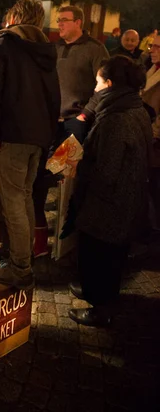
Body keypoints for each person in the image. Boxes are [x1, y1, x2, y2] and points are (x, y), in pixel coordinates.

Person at [0, 0, 60, 289]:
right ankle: (18, 255)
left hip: (10, 136)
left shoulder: (2, 42)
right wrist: (46, 138)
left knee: (14, 201)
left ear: (13, 16)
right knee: (23, 197)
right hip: (37, 137)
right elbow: (54, 97)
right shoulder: (46, 49)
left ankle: (20, 268)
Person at [68, 56, 152, 326]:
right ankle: (97, 292)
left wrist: (78, 169)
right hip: (126, 200)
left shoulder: (115, 120)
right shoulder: (134, 107)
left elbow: (106, 172)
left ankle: (100, 307)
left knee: (100, 257)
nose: (94, 89)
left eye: (98, 83)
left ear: (110, 84)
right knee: (110, 257)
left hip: (110, 205)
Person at [32, 4, 109, 258]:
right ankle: (41, 240)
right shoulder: (54, 49)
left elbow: (104, 87)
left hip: (75, 126)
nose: (59, 24)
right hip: (50, 124)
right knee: (41, 180)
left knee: (67, 183)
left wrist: (85, 115)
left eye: (64, 20)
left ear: (78, 22)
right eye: (58, 20)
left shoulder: (95, 49)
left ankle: (67, 247)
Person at [142, 32, 160, 229]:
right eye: (151, 46)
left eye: (157, 47)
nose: (152, 50)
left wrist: (153, 134)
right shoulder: (153, 68)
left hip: (155, 142)